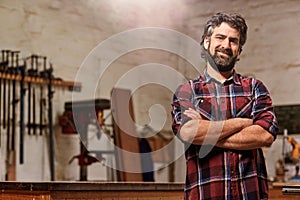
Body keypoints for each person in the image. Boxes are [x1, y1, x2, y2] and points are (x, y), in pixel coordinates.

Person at [171, 12, 278, 199]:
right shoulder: (187, 91)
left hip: (250, 194)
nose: (226, 45)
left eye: (233, 41)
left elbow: (265, 135)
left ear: (239, 51)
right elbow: (188, 132)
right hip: (205, 195)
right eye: (220, 37)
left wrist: (207, 135)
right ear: (206, 42)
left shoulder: (254, 88)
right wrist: (244, 123)